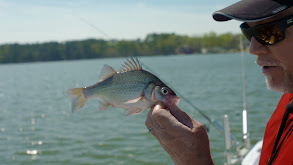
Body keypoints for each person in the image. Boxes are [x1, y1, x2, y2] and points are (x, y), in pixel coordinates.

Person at [145, 0, 293, 164]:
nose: (253, 48)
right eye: (248, 32)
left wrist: (194, 160)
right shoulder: (288, 99)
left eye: (268, 32)